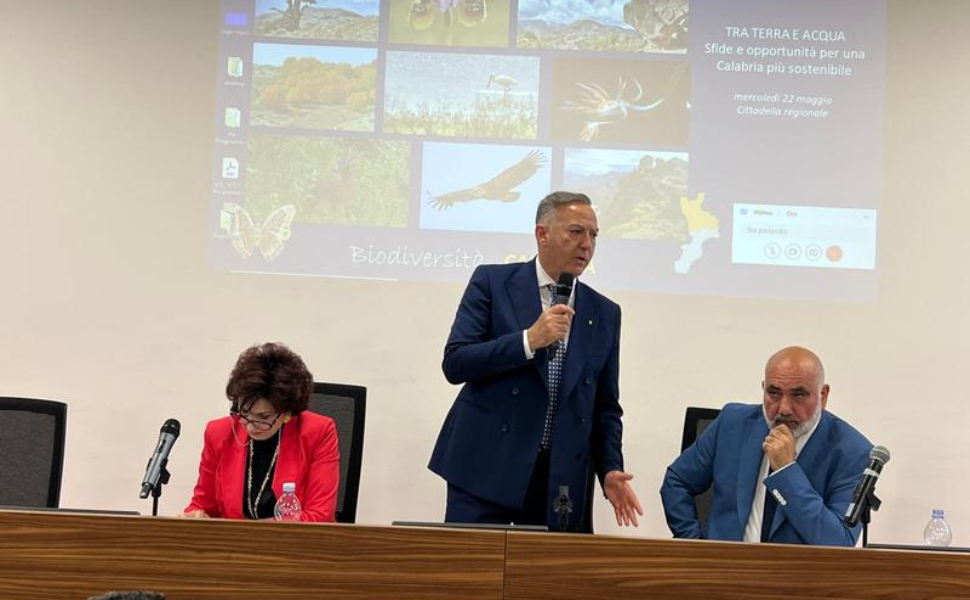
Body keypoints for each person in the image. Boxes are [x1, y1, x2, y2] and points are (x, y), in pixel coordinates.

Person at [428, 191, 643, 532]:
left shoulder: (604, 313)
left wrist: (611, 468)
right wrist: (528, 341)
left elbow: (604, 406)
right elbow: (456, 362)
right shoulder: (493, 282)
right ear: (542, 234)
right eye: (576, 232)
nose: (586, 244)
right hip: (486, 466)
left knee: (544, 584)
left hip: (558, 478)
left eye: (594, 235)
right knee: (472, 576)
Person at [660, 346, 872, 546]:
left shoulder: (853, 451)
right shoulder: (732, 423)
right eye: (774, 393)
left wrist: (787, 472)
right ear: (763, 389)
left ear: (823, 396)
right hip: (723, 573)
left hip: (796, 579)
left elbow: (838, 542)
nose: (784, 408)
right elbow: (677, 482)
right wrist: (695, 546)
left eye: (798, 395)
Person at [183, 342, 339, 522]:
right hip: (233, 547)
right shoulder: (218, 433)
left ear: (287, 411)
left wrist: (256, 532)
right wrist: (195, 516)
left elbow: (320, 515)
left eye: (263, 417)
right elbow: (203, 505)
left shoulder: (318, 432)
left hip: (294, 545)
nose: (250, 426)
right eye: (244, 413)